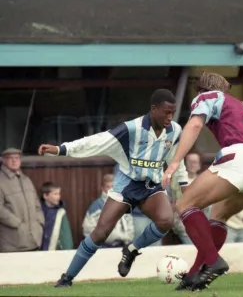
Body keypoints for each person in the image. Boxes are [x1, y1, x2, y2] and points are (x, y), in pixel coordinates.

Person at [38, 89, 188, 287]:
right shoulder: (130, 129)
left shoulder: (175, 130)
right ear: (153, 109)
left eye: (173, 112)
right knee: (100, 233)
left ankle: (131, 250)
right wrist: (61, 149)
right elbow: (96, 141)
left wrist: (185, 184)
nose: (170, 117)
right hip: (126, 186)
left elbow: (177, 160)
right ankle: (67, 278)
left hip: (151, 187)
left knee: (166, 221)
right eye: (166, 112)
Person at [162, 72, 243, 291]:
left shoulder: (207, 97)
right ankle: (196, 274)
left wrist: (174, 162)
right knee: (219, 215)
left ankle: (213, 260)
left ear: (201, 89)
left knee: (184, 204)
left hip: (240, 157)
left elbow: (195, 125)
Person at [0, 148, 45, 253]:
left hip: (34, 239)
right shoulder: (1, 181)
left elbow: (37, 205)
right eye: (10, 158)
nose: (14, 161)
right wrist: (17, 224)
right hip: (12, 242)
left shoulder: (26, 180)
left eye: (17, 158)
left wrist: (40, 223)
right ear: (3, 160)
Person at [82, 173, 135, 248]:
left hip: (122, 246)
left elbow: (130, 230)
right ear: (103, 188)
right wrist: (114, 237)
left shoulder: (124, 205)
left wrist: (124, 238)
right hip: (103, 247)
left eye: (113, 187)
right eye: (108, 187)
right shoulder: (96, 206)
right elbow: (87, 229)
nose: (111, 190)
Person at [40, 182, 74, 251]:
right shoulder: (39, 211)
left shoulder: (60, 213)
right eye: (55, 194)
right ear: (45, 196)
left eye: (59, 194)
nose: (58, 197)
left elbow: (66, 237)